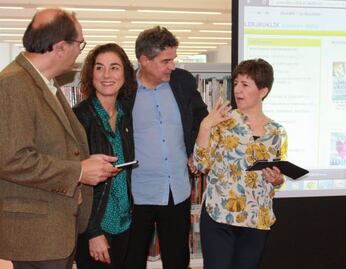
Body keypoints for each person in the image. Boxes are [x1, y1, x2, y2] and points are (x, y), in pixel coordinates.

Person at [0, 9, 119, 269]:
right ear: (61, 47)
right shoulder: (12, 85)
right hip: (36, 236)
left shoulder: (44, 83)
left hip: (55, 230)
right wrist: (78, 170)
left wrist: (86, 162)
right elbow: (11, 159)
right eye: (80, 44)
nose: (80, 51)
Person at [124, 26, 208, 269]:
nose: (172, 66)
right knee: (132, 259)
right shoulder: (124, 90)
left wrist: (194, 150)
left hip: (176, 191)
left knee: (177, 260)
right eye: (165, 61)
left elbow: (200, 117)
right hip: (136, 193)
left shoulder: (182, 81)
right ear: (144, 60)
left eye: (174, 59)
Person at [193, 58, 287, 269]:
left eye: (245, 84)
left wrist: (277, 179)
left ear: (263, 91)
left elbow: (278, 176)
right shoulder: (221, 122)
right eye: (236, 83)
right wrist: (205, 126)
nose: (237, 89)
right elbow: (201, 165)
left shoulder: (276, 132)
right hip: (220, 216)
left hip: (256, 219)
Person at [73, 43, 137, 269]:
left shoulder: (125, 115)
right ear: (91, 75)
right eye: (99, 68)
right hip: (96, 226)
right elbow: (75, 179)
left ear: (125, 74)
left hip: (125, 221)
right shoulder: (79, 118)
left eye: (114, 67)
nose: (107, 75)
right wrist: (93, 232)